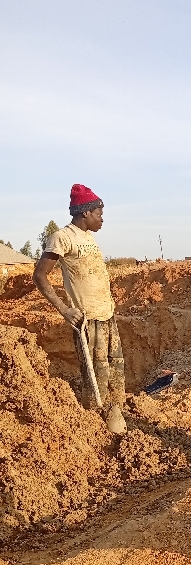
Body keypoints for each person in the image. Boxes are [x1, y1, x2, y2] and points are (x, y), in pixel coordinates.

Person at [33, 184, 127, 435]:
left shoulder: (88, 238)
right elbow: (40, 276)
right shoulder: (62, 237)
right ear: (85, 212)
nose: (102, 219)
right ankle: (94, 428)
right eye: (99, 214)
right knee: (96, 375)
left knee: (115, 369)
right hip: (87, 319)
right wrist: (64, 309)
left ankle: (115, 414)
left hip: (106, 315)